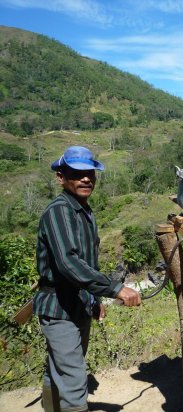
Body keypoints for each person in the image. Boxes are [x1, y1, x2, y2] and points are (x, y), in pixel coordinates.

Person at [33, 146, 142, 412]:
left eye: (90, 173)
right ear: (61, 177)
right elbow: (69, 264)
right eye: (77, 173)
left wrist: (94, 298)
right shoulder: (59, 211)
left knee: (59, 369)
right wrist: (115, 289)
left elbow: (86, 264)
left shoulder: (84, 212)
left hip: (78, 302)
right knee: (73, 379)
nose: (86, 179)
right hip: (58, 307)